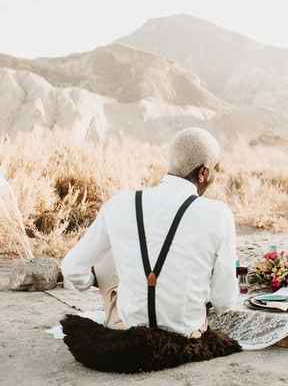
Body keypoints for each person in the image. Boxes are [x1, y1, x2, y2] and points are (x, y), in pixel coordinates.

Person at [61, 127, 239, 338]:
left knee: (109, 254)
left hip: (129, 328)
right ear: (203, 173)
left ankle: (120, 314)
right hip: (186, 332)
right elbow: (224, 301)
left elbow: (71, 268)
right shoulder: (218, 213)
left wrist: (91, 281)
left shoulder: (120, 203)